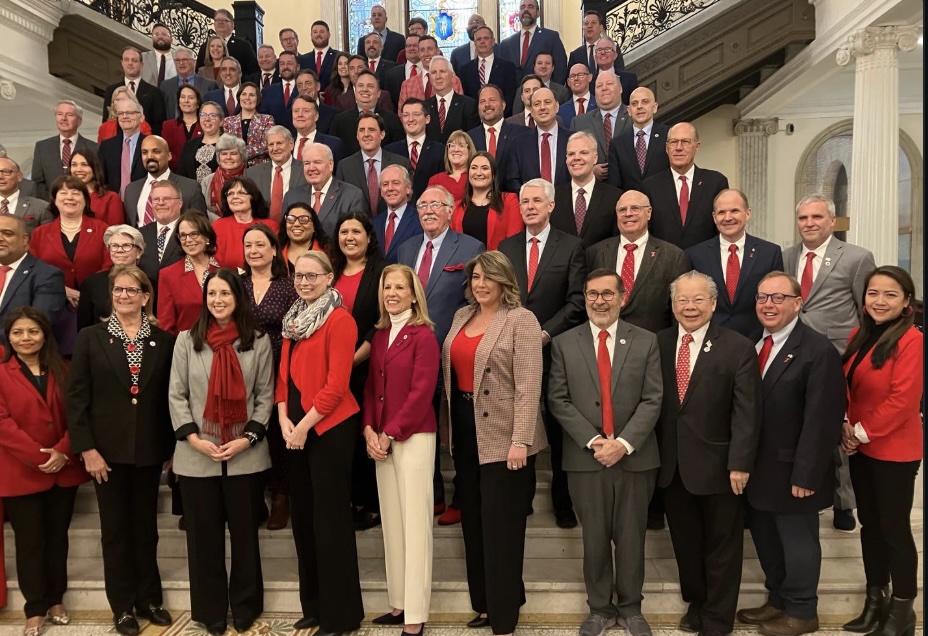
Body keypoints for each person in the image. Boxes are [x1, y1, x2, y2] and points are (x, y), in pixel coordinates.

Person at [547, 269, 661, 636]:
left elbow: (653, 398)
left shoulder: (646, 341)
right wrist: (595, 441)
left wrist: (622, 444)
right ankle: (599, 608)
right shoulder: (564, 343)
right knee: (594, 539)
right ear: (584, 298)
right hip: (586, 459)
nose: (600, 301)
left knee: (631, 538)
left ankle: (631, 609)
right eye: (593, 294)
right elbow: (558, 400)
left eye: (608, 293)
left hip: (635, 458)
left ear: (622, 298)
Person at [441, 250, 547, 635]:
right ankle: (485, 603)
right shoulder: (461, 316)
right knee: (474, 522)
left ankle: (504, 617)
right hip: (465, 430)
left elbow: (529, 386)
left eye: (488, 277)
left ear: (505, 281)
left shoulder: (521, 320)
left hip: (506, 435)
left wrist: (521, 440)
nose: (481, 284)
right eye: (475, 277)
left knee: (501, 526)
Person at [735, 272, 846, 636]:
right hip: (761, 469)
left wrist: (807, 473)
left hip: (795, 471)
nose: (768, 305)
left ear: (798, 304)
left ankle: (802, 611)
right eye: (762, 297)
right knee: (768, 540)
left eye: (778, 298)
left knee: (797, 543)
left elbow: (822, 420)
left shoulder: (817, 350)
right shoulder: (756, 344)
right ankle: (778, 601)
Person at [67, 265, 176, 636]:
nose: (124, 296)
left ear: (146, 297)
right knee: (115, 532)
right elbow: (77, 398)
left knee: (146, 530)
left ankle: (149, 599)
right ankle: (123, 606)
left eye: (132, 290)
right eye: (118, 290)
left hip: (148, 451)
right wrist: (86, 448)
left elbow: (169, 398)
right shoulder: (90, 337)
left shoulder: (164, 341)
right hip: (106, 454)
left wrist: (171, 446)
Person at [655, 270, 761, 636]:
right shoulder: (658, 343)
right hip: (672, 465)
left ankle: (718, 618)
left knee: (722, 547)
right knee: (686, 544)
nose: (690, 306)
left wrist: (740, 463)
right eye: (682, 299)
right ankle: (697, 603)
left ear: (713, 304)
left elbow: (747, 412)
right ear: (673, 305)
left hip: (721, 466)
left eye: (698, 299)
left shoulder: (738, 347)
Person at [168, 268, 274, 635]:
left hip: (245, 455)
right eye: (212, 294)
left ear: (237, 298)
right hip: (197, 456)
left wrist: (247, 439)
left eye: (225, 293)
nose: (218, 300)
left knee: (245, 539)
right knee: (203, 541)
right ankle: (210, 610)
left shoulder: (258, 341)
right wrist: (195, 439)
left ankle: (245, 606)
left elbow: (265, 396)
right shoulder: (187, 340)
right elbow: (176, 395)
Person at [278, 251, 365, 634]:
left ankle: (340, 614)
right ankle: (313, 607)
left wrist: (303, 426)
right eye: (299, 276)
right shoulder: (294, 319)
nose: (304, 282)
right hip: (294, 429)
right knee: (303, 521)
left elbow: (336, 386)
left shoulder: (340, 320)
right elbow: (282, 377)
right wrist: (283, 416)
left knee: (330, 522)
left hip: (328, 430)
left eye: (312, 276)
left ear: (330, 278)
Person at [783, 194, 876, 532]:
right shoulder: (786, 256)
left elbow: (866, 311)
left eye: (817, 217)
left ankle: (843, 501)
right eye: (803, 218)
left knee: (837, 425)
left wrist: (861, 354)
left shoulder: (857, 258)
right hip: (795, 351)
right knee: (802, 423)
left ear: (832, 221)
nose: (809, 223)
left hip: (837, 354)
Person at [498, 178, 586, 528]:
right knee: (521, 424)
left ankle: (563, 503)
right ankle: (522, 498)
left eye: (537, 201)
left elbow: (576, 300)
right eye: (525, 201)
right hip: (514, 352)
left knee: (559, 429)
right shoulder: (506, 247)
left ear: (551, 206)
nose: (530, 207)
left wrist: (544, 333)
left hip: (557, 350)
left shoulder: (572, 246)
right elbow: (500, 297)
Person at [840, 266, 922, 636]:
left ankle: (902, 612)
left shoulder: (913, 340)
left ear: (907, 302)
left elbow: (903, 400)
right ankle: (875, 601)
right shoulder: (858, 335)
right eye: (873, 293)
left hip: (895, 450)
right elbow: (847, 387)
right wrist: (845, 424)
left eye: (890, 294)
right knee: (870, 526)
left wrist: (859, 433)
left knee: (894, 530)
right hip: (861, 446)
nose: (880, 301)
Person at [0, 307, 89, 636]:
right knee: (30, 542)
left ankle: (56, 600)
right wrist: (39, 456)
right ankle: (35, 608)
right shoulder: (1, 373)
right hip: (22, 472)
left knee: (57, 539)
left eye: (32, 331)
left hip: (62, 470)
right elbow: (3, 424)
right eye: (18, 332)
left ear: (45, 335)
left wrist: (63, 451)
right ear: (9, 338)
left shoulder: (64, 368)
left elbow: (79, 413)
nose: (26, 338)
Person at [363, 264, 439, 635]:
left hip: (413, 437)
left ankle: (416, 614)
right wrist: (368, 430)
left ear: (413, 294)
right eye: (387, 287)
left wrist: (389, 433)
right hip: (381, 438)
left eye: (399, 287)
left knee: (415, 525)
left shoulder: (424, 336)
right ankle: (399, 603)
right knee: (392, 523)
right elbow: (370, 389)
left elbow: (421, 393)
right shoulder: (380, 336)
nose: (391, 293)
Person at [331, 211, 387, 530]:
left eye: (356, 231)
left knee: (365, 432)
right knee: (341, 438)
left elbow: (381, 322)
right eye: (344, 232)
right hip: (332, 371)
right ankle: (346, 501)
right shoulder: (331, 270)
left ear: (368, 236)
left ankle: (369, 504)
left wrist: (351, 361)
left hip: (366, 367)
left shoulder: (381, 272)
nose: (349, 237)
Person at [241, 225, 298, 530]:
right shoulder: (237, 284)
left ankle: (280, 495)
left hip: (279, 366)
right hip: (242, 368)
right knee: (248, 427)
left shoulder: (287, 287)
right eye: (248, 245)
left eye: (260, 244)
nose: (253, 250)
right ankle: (253, 496)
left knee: (276, 431)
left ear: (274, 250)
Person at [685, 189, 784, 342]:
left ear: (748, 214)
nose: (728, 218)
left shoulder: (770, 253)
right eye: (721, 212)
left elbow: (779, 300)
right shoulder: (695, 255)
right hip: (709, 341)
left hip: (756, 340)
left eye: (734, 211)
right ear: (714, 217)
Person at [29, 176, 112, 355]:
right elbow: (34, 269)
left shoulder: (102, 229)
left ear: (85, 199)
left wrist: (88, 293)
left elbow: (109, 265)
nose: (69, 197)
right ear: (54, 200)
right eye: (63, 193)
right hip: (54, 308)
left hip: (95, 308)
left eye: (75, 193)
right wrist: (63, 289)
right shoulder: (40, 233)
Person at [644, 122, 729, 250]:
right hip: (664, 259)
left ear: (697, 146)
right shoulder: (650, 186)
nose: (678, 148)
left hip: (705, 258)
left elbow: (723, 227)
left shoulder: (716, 182)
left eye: (685, 142)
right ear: (667, 148)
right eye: (673, 142)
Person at [0, 215, 66, 342]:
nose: (0, 238)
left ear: (25, 240)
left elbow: (36, 325)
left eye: (7, 233)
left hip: (18, 351)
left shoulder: (47, 276)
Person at [283, 143, 368, 239]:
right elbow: (285, 236)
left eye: (317, 162)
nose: (311, 168)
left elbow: (356, 235)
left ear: (331, 165)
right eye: (307, 163)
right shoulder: (291, 197)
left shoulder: (352, 196)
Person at [551, 131, 621, 247]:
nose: (576, 158)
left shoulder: (615, 197)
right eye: (571, 154)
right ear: (566, 159)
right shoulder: (553, 197)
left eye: (583, 153)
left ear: (595, 158)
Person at [334, 112, 411, 216]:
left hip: (392, 223)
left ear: (382, 134)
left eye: (371, 130)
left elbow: (409, 200)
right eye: (362, 130)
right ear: (357, 136)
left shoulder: (401, 163)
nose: (366, 134)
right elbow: (340, 204)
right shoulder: (344, 167)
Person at [157, 211, 220, 335]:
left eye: (194, 234)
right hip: (187, 344)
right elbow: (165, 325)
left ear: (207, 237)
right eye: (183, 235)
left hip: (224, 343)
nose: (188, 240)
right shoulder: (168, 275)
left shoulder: (225, 270)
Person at [123, 135, 207, 226]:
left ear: (169, 156)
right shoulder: (131, 190)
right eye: (145, 152)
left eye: (156, 152)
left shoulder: (191, 188)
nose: (149, 156)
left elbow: (201, 227)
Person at [77, 225, 145, 331]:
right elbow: (83, 328)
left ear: (139, 252)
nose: (119, 250)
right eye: (114, 246)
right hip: (99, 340)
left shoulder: (149, 283)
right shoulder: (91, 283)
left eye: (126, 246)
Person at [451, 152, 522, 250]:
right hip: (464, 260)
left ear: (493, 175)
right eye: (474, 168)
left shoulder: (509, 200)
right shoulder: (456, 207)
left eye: (485, 168)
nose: (478, 173)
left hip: (498, 259)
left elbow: (514, 241)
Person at [505, 88, 572, 191]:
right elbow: (513, 180)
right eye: (537, 104)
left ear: (557, 106)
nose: (542, 107)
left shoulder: (572, 140)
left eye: (547, 102)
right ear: (532, 111)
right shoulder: (518, 144)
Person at [31, 100, 99, 200]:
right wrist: (55, 202)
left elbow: (98, 180)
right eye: (59, 114)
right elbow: (37, 182)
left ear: (79, 121)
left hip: (85, 203)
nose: (63, 118)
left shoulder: (94, 148)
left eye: (69, 115)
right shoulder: (42, 147)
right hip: (50, 205)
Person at [607, 88, 669, 193]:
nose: (639, 106)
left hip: (664, 201)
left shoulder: (669, 136)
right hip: (630, 202)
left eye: (645, 102)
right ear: (629, 110)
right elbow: (614, 186)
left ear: (654, 107)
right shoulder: (617, 144)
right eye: (634, 104)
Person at [212, 176, 279, 269]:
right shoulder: (218, 226)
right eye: (230, 193)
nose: (235, 197)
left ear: (253, 197)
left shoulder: (270, 226)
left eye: (241, 193)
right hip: (227, 277)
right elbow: (214, 262)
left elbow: (276, 260)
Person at [570, 71, 631, 170]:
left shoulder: (634, 116)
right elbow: (572, 158)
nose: (604, 88)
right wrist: (590, 171)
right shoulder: (579, 123)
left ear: (620, 88)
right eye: (599, 86)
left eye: (609, 84)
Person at [498, 0, 568, 84]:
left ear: (538, 13)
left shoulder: (551, 37)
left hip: (543, 90)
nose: (526, 9)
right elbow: (501, 72)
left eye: (530, 7)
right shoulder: (506, 44)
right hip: (514, 91)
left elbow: (560, 67)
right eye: (522, 7)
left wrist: (554, 90)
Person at [101, 47, 166, 135]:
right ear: (122, 63)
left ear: (141, 64)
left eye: (134, 60)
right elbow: (106, 121)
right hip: (116, 140)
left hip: (145, 140)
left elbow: (159, 126)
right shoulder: (111, 90)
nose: (130, 63)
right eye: (126, 60)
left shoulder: (155, 92)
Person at [98, 92, 148, 197]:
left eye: (130, 113)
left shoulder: (150, 144)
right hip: (113, 203)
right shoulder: (107, 147)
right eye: (121, 113)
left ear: (141, 117)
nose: (125, 116)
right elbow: (100, 180)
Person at [460, 27, 518, 115]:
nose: (482, 42)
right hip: (474, 119)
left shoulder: (507, 67)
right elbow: (466, 98)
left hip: (501, 117)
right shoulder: (465, 69)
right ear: (475, 43)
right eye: (479, 39)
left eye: (486, 38)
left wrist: (498, 115)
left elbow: (510, 96)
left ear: (493, 41)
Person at [372, 165, 423, 263]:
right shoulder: (374, 223)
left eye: (396, 183)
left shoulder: (419, 220)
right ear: (381, 191)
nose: (390, 188)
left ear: (408, 188)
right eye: (385, 184)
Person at [424, 57, 479, 144]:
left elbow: (472, 140)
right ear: (430, 77)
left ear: (452, 75)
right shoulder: (424, 106)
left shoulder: (469, 105)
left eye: (442, 71)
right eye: (434, 72)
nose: (438, 76)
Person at [223, 82, 275, 167]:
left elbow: (266, 145)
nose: (247, 98)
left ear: (257, 99)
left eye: (252, 95)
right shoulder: (228, 121)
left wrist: (238, 153)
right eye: (244, 94)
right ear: (239, 97)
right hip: (234, 167)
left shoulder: (267, 120)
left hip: (260, 168)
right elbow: (226, 146)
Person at [195, 10, 259, 76]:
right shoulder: (205, 46)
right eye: (217, 20)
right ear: (214, 24)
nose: (220, 22)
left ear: (232, 25)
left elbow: (254, 72)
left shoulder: (244, 45)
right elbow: (198, 73)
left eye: (224, 20)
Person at [160, 47, 217, 121]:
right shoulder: (165, 85)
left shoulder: (209, 85)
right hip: (172, 127)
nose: (181, 63)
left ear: (194, 62)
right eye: (177, 60)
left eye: (185, 59)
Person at [0, 157, 54, 231]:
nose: (0, 177)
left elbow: (46, 236)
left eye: (6, 172)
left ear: (19, 176)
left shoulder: (41, 207)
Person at [161, 84, 204, 172]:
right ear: (179, 102)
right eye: (183, 97)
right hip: (175, 173)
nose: (186, 101)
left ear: (198, 104)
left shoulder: (205, 126)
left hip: (200, 173)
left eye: (191, 98)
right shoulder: (168, 125)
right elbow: (165, 151)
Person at [179, 101, 225, 182]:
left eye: (212, 115)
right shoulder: (189, 145)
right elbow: (181, 175)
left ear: (221, 121)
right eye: (203, 115)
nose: (207, 119)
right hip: (191, 190)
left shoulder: (229, 146)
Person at [201, 134, 247, 215]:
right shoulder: (207, 181)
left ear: (242, 156)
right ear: (218, 157)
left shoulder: (251, 177)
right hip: (213, 222)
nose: (228, 157)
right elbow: (203, 209)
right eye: (224, 154)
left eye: (233, 153)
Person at [279, 203, 329, 272]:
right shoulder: (274, 252)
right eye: (291, 219)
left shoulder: (328, 253)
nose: (296, 224)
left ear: (314, 226)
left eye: (303, 219)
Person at [427, 131, 475, 203]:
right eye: (452, 145)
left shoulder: (476, 178)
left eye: (461, 146)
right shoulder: (435, 180)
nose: (456, 149)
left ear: (469, 151)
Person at [558, 64, 595, 128]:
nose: (576, 78)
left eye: (580, 75)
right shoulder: (561, 111)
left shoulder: (599, 106)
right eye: (572, 76)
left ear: (590, 77)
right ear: (568, 82)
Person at [141, 23, 176, 87]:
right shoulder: (142, 58)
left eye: (164, 34)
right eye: (156, 34)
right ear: (152, 38)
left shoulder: (179, 59)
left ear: (171, 40)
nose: (160, 37)